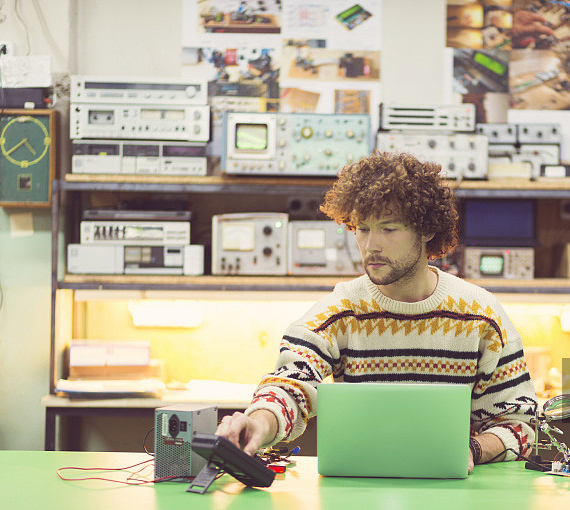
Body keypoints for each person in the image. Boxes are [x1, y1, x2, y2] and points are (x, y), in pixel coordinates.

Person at [217, 151, 538, 474]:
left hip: (456, 497)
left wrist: (472, 449)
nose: (371, 245)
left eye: (388, 229)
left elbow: (520, 425)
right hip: (357, 501)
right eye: (362, 228)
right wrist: (259, 422)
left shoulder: (481, 316)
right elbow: (290, 387)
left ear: (426, 231)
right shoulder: (340, 311)